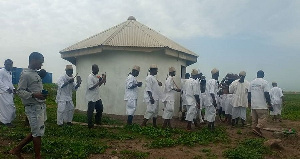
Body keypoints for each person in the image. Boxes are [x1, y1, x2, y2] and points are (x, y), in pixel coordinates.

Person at [9, 52, 46, 159]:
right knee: (37, 133)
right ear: (33, 60)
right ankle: (37, 156)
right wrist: (34, 95)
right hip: (32, 107)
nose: (41, 65)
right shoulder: (25, 74)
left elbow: (34, 89)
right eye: (40, 62)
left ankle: (17, 149)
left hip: (39, 106)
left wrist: (42, 95)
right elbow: (19, 91)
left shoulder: (35, 73)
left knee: (37, 131)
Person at [248, 70, 271, 137]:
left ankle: (254, 132)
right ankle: (257, 129)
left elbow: (249, 94)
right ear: (263, 75)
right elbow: (266, 93)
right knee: (263, 118)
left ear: (257, 75)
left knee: (254, 120)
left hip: (253, 104)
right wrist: (269, 103)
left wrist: (249, 102)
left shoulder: (251, 83)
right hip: (261, 105)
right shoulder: (265, 82)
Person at [86, 64, 106, 129]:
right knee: (90, 111)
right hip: (91, 97)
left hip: (97, 97)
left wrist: (102, 80)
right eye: (97, 69)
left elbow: (98, 86)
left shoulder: (96, 77)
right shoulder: (90, 77)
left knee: (100, 108)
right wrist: (98, 82)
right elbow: (90, 87)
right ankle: (90, 124)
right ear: (93, 69)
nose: (98, 70)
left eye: (98, 69)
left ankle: (97, 121)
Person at [0, 59, 16, 127]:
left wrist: (13, 88)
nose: (9, 66)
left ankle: (3, 120)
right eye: (7, 64)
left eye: (10, 64)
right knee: (7, 107)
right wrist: (7, 88)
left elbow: (9, 82)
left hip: (9, 93)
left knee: (9, 106)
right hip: (3, 92)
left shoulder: (9, 72)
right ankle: (7, 122)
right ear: (4, 64)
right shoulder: (1, 71)